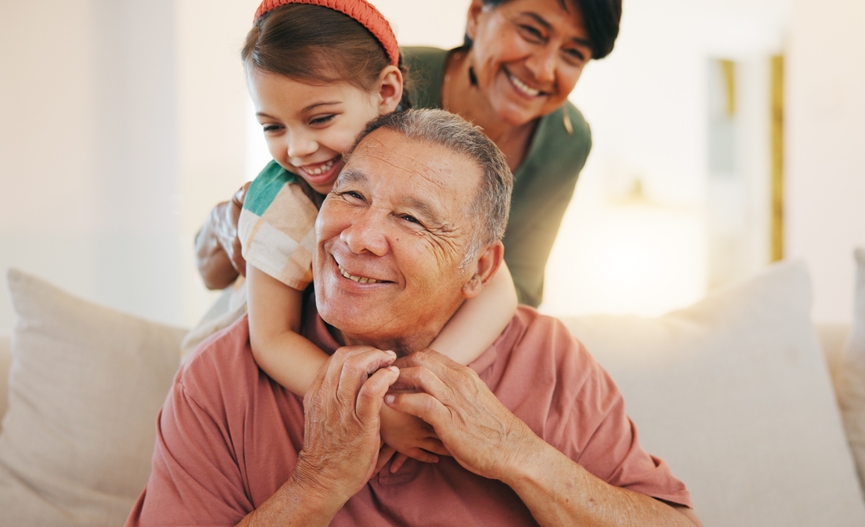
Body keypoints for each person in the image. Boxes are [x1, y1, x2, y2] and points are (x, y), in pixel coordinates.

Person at [127, 109, 701, 526]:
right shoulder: (224, 375)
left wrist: (515, 452)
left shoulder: (549, 359)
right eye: (350, 196)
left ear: (480, 269)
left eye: (413, 219)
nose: (359, 237)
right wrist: (318, 483)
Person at [228, 0, 519, 472]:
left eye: (320, 119)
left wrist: (414, 385)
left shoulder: (424, 157)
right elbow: (273, 339)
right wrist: (378, 413)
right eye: (272, 127)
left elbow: (499, 291)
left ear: (386, 91)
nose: (298, 148)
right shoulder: (278, 203)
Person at [195, 0, 621, 308]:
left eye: (573, 53)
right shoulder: (367, 84)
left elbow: (520, 284)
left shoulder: (568, 138)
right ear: (476, 15)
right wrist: (227, 225)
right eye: (532, 31)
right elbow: (268, 220)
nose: (544, 69)